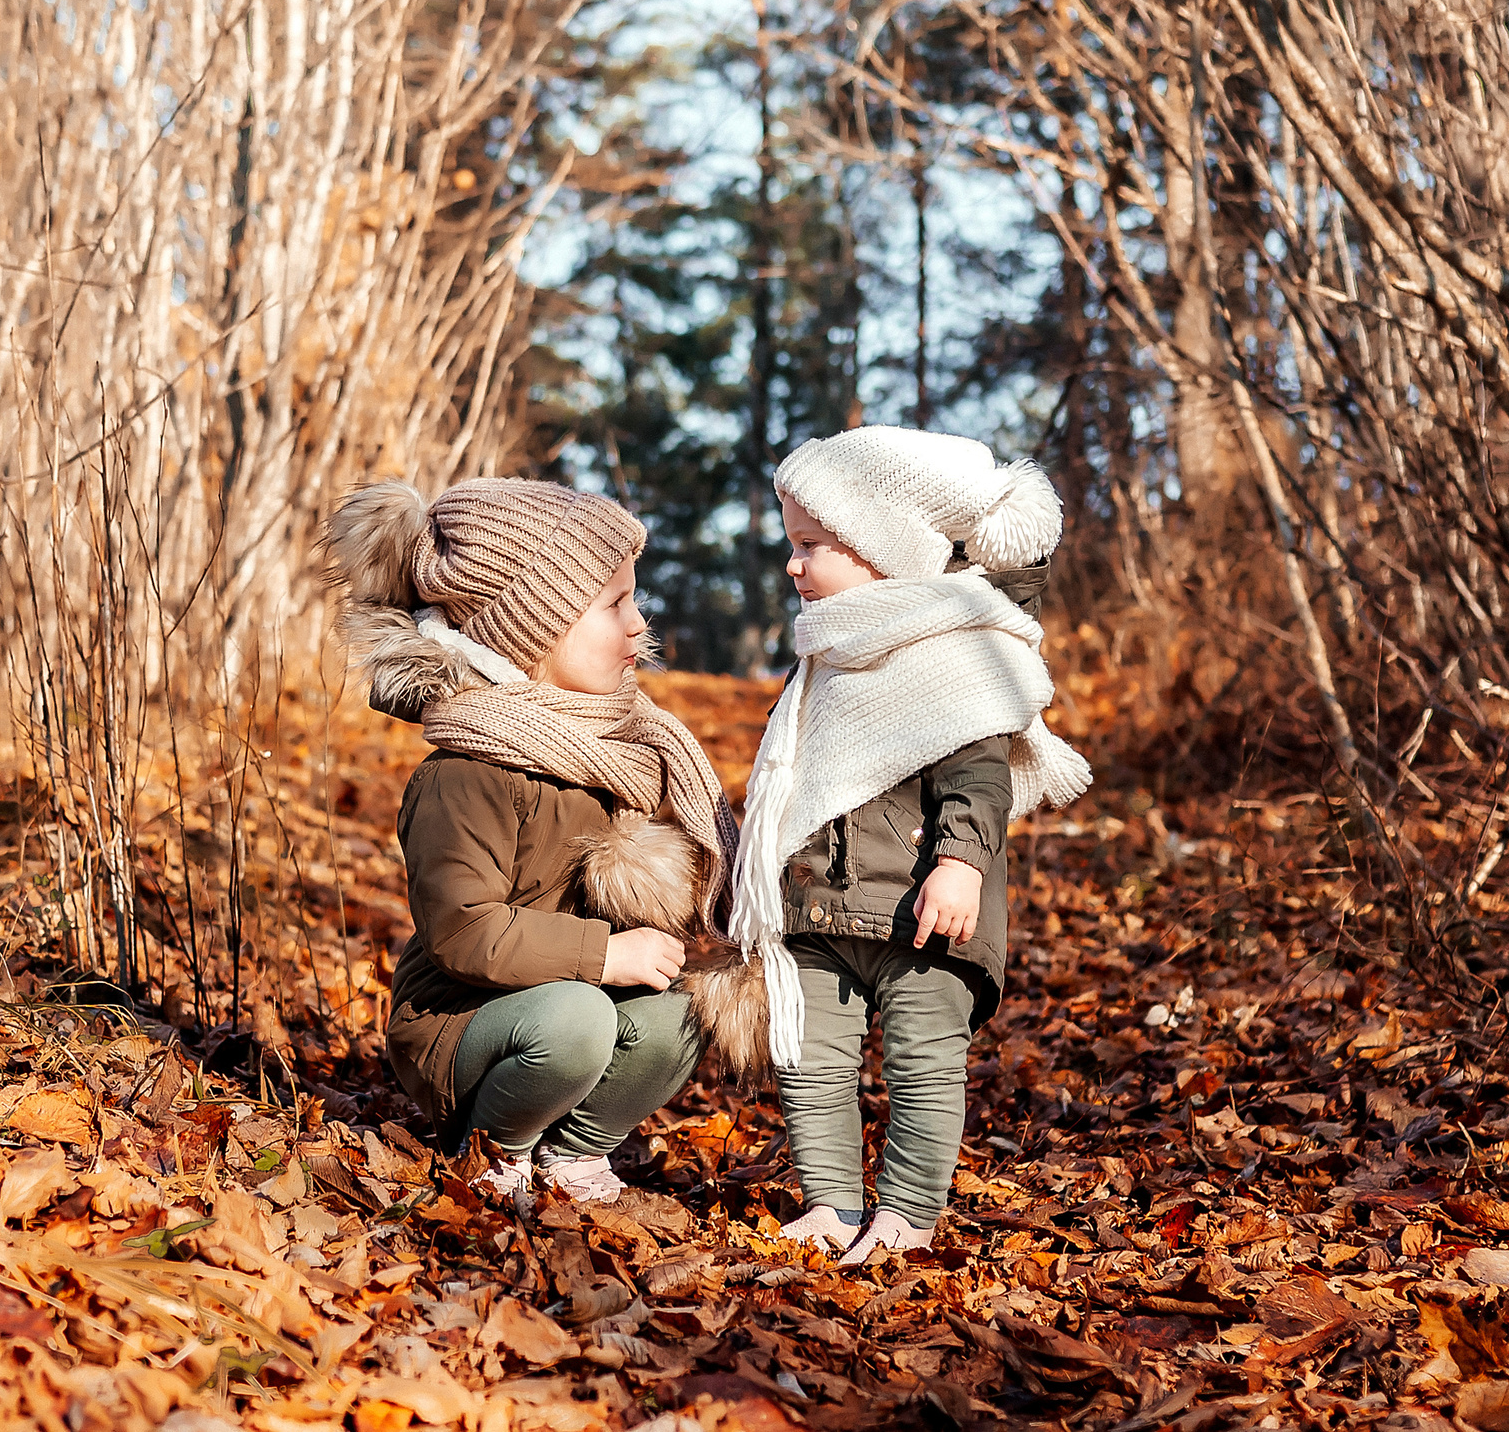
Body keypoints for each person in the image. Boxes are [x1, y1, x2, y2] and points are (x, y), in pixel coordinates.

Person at [719, 428, 1092, 1264]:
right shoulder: (824, 658)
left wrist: (960, 862)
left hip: (922, 910)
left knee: (923, 1063)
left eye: (812, 546)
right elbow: (794, 777)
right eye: (792, 545)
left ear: (881, 553)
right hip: (819, 906)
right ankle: (830, 1201)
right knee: (809, 1060)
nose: (793, 565)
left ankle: (909, 1211)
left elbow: (980, 775)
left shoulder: (951, 656)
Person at [323, 477, 739, 1207]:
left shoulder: (612, 748)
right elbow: (462, 931)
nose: (641, 623)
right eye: (615, 604)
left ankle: (571, 1155)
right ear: (533, 630)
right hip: (462, 1021)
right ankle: (492, 1149)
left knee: (682, 1015)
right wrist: (606, 954)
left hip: (567, 1000)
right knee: (576, 1021)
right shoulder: (465, 773)